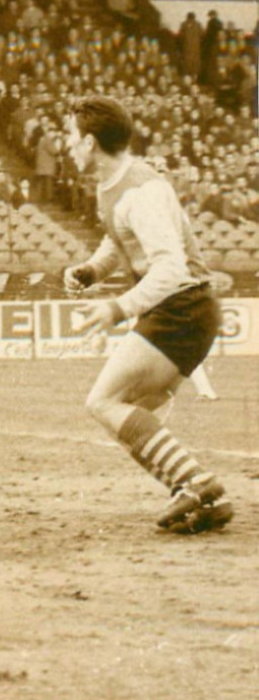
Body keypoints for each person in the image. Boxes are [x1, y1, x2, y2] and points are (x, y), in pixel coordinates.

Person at [63, 95, 231, 534]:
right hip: (184, 309)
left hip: (182, 306)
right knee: (137, 408)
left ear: (91, 142)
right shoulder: (117, 185)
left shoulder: (140, 191)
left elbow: (171, 267)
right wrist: (92, 271)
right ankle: (197, 494)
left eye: (70, 137)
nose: (67, 145)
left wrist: (118, 308)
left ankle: (195, 482)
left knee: (103, 401)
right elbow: (119, 242)